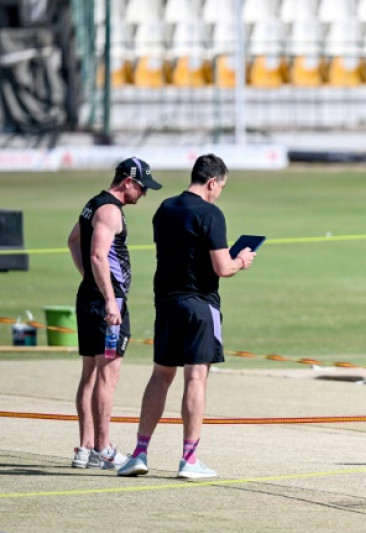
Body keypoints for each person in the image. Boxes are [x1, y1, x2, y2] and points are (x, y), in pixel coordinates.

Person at [117, 154, 256, 480]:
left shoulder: (165, 208)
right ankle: (189, 459)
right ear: (212, 182)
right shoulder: (211, 213)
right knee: (196, 378)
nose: (220, 191)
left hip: (166, 302)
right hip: (199, 305)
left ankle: (138, 452)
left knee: (160, 375)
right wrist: (242, 261)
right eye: (221, 186)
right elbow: (222, 268)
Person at [67, 157, 163, 470]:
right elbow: (96, 254)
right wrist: (109, 298)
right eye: (142, 187)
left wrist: (91, 282)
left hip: (90, 299)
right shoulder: (110, 211)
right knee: (108, 375)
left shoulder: (93, 204)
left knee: (90, 375)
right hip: (110, 305)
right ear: (126, 182)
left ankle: (85, 448)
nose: (144, 194)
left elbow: (73, 241)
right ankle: (103, 449)